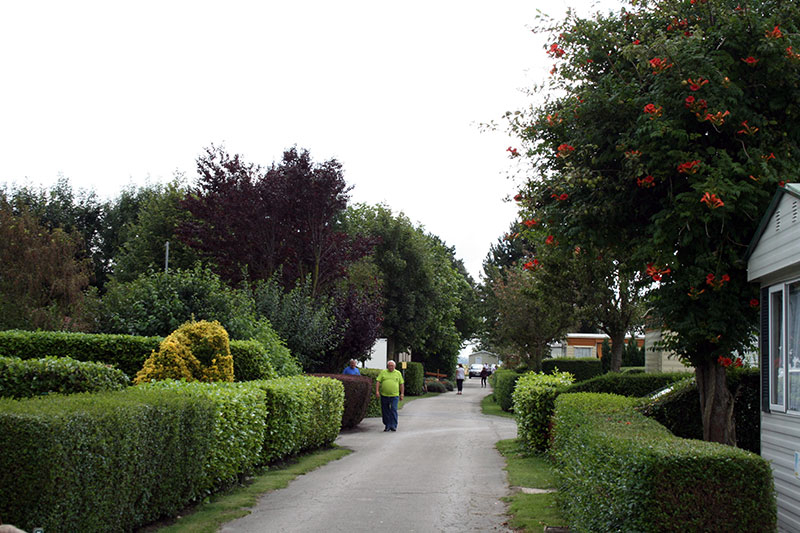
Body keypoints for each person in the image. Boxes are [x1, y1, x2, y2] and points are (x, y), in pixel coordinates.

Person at [376, 360, 404, 431]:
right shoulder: (383, 372)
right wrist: (377, 391)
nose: (390, 367)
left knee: (393, 409)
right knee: (385, 411)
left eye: (392, 366)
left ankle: (393, 425)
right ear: (387, 366)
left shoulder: (398, 373)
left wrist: (402, 394)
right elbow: (378, 381)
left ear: (394, 366)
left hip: (394, 395)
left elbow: (401, 384)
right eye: (389, 366)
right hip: (384, 395)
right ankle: (387, 425)